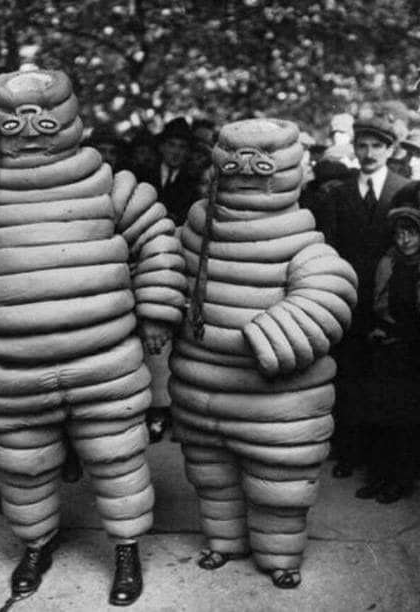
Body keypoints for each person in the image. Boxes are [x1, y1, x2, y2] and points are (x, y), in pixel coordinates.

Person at [0, 68, 186, 607]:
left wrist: (157, 310)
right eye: (14, 123)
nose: (29, 132)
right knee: (23, 465)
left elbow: (157, 238)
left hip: (103, 359)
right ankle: (35, 545)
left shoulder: (108, 185)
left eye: (43, 121)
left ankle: (126, 549)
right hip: (13, 367)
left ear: (67, 121)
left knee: (118, 459)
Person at [169, 118, 357, 589]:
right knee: (212, 476)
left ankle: (280, 557)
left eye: (261, 161)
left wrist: (278, 334)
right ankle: (223, 542)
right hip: (201, 390)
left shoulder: (302, 240)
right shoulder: (196, 229)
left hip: (275, 401)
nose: (246, 170)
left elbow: (331, 289)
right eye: (235, 160)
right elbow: (168, 270)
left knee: (278, 487)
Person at [316, 109, 411, 479]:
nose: (369, 153)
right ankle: (349, 450)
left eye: (377, 146)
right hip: (349, 299)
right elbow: (329, 247)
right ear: (354, 148)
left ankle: (381, 459)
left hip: (390, 300)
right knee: (349, 373)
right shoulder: (338, 192)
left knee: (386, 380)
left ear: (390, 150)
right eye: (363, 146)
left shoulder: (405, 189)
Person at [356, 205, 420, 503]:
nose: (404, 240)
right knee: (378, 416)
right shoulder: (388, 263)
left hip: (413, 353)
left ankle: (400, 481)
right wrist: (377, 330)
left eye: (411, 233)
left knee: (404, 420)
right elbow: (376, 305)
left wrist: (399, 335)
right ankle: (378, 476)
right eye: (399, 234)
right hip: (386, 350)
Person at [149, 117, 199, 226]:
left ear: (188, 152)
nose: (176, 152)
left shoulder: (193, 182)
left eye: (182, 147)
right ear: (161, 147)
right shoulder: (145, 174)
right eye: (171, 145)